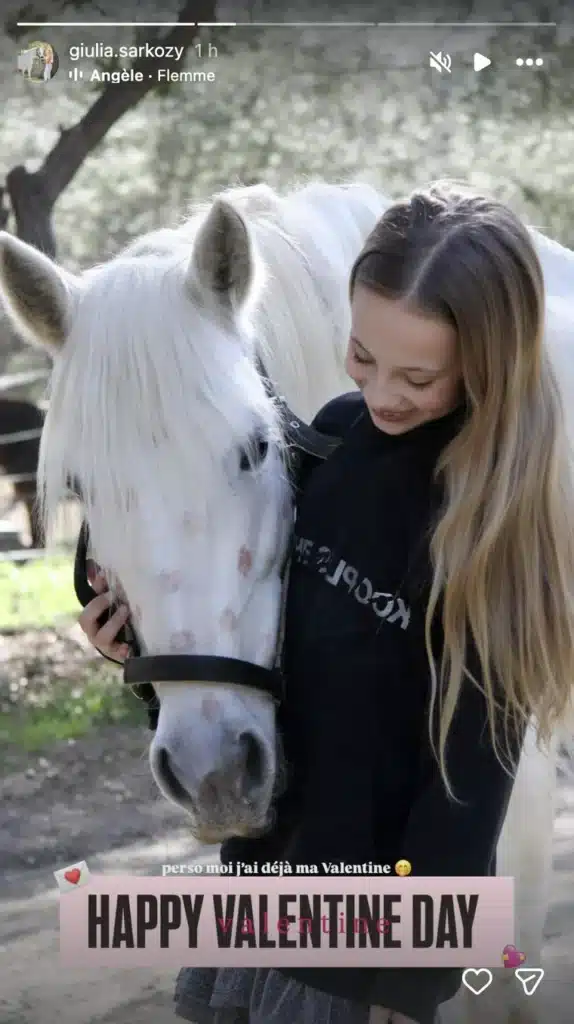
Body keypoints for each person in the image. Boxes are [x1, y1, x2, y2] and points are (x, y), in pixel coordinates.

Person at [78, 182, 574, 1023]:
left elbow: (468, 793)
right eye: (362, 355)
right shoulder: (331, 436)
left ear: (487, 365)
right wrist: (148, 661)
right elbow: (268, 646)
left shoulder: (488, 530)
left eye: (418, 376)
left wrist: (410, 988)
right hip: (262, 891)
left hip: (359, 944)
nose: (382, 394)